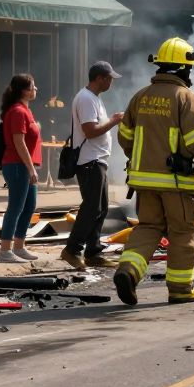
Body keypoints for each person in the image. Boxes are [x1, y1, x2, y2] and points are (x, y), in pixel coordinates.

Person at [113, 38, 194, 305]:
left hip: (143, 180)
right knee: (183, 231)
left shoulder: (140, 96)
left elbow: (125, 136)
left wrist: (144, 158)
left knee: (149, 227)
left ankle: (128, 271)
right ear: (184, 70)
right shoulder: (186, 98)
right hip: (177, 182)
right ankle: (180, 288)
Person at [60, 61, 125, 270]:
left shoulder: (94, 98)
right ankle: (72, 249)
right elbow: (90, 130)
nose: (110, 83)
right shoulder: (86, 99)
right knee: (91, 208)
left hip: (98, 159)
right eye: (109, 79)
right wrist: (114, 120)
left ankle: (93, 251)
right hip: (90, 161)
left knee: (101, 208)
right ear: (99, 78)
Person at [0, 74, 42, 263]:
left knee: (29, 206)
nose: (36, 89)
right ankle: (4, 250)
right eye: (32, 86)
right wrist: (31, 169)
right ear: (24, 91)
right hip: (17, 165)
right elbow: (18, 141)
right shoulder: (17, 112)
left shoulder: (25, 110)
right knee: (15, 207)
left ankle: (19, 246)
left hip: (24, 165)